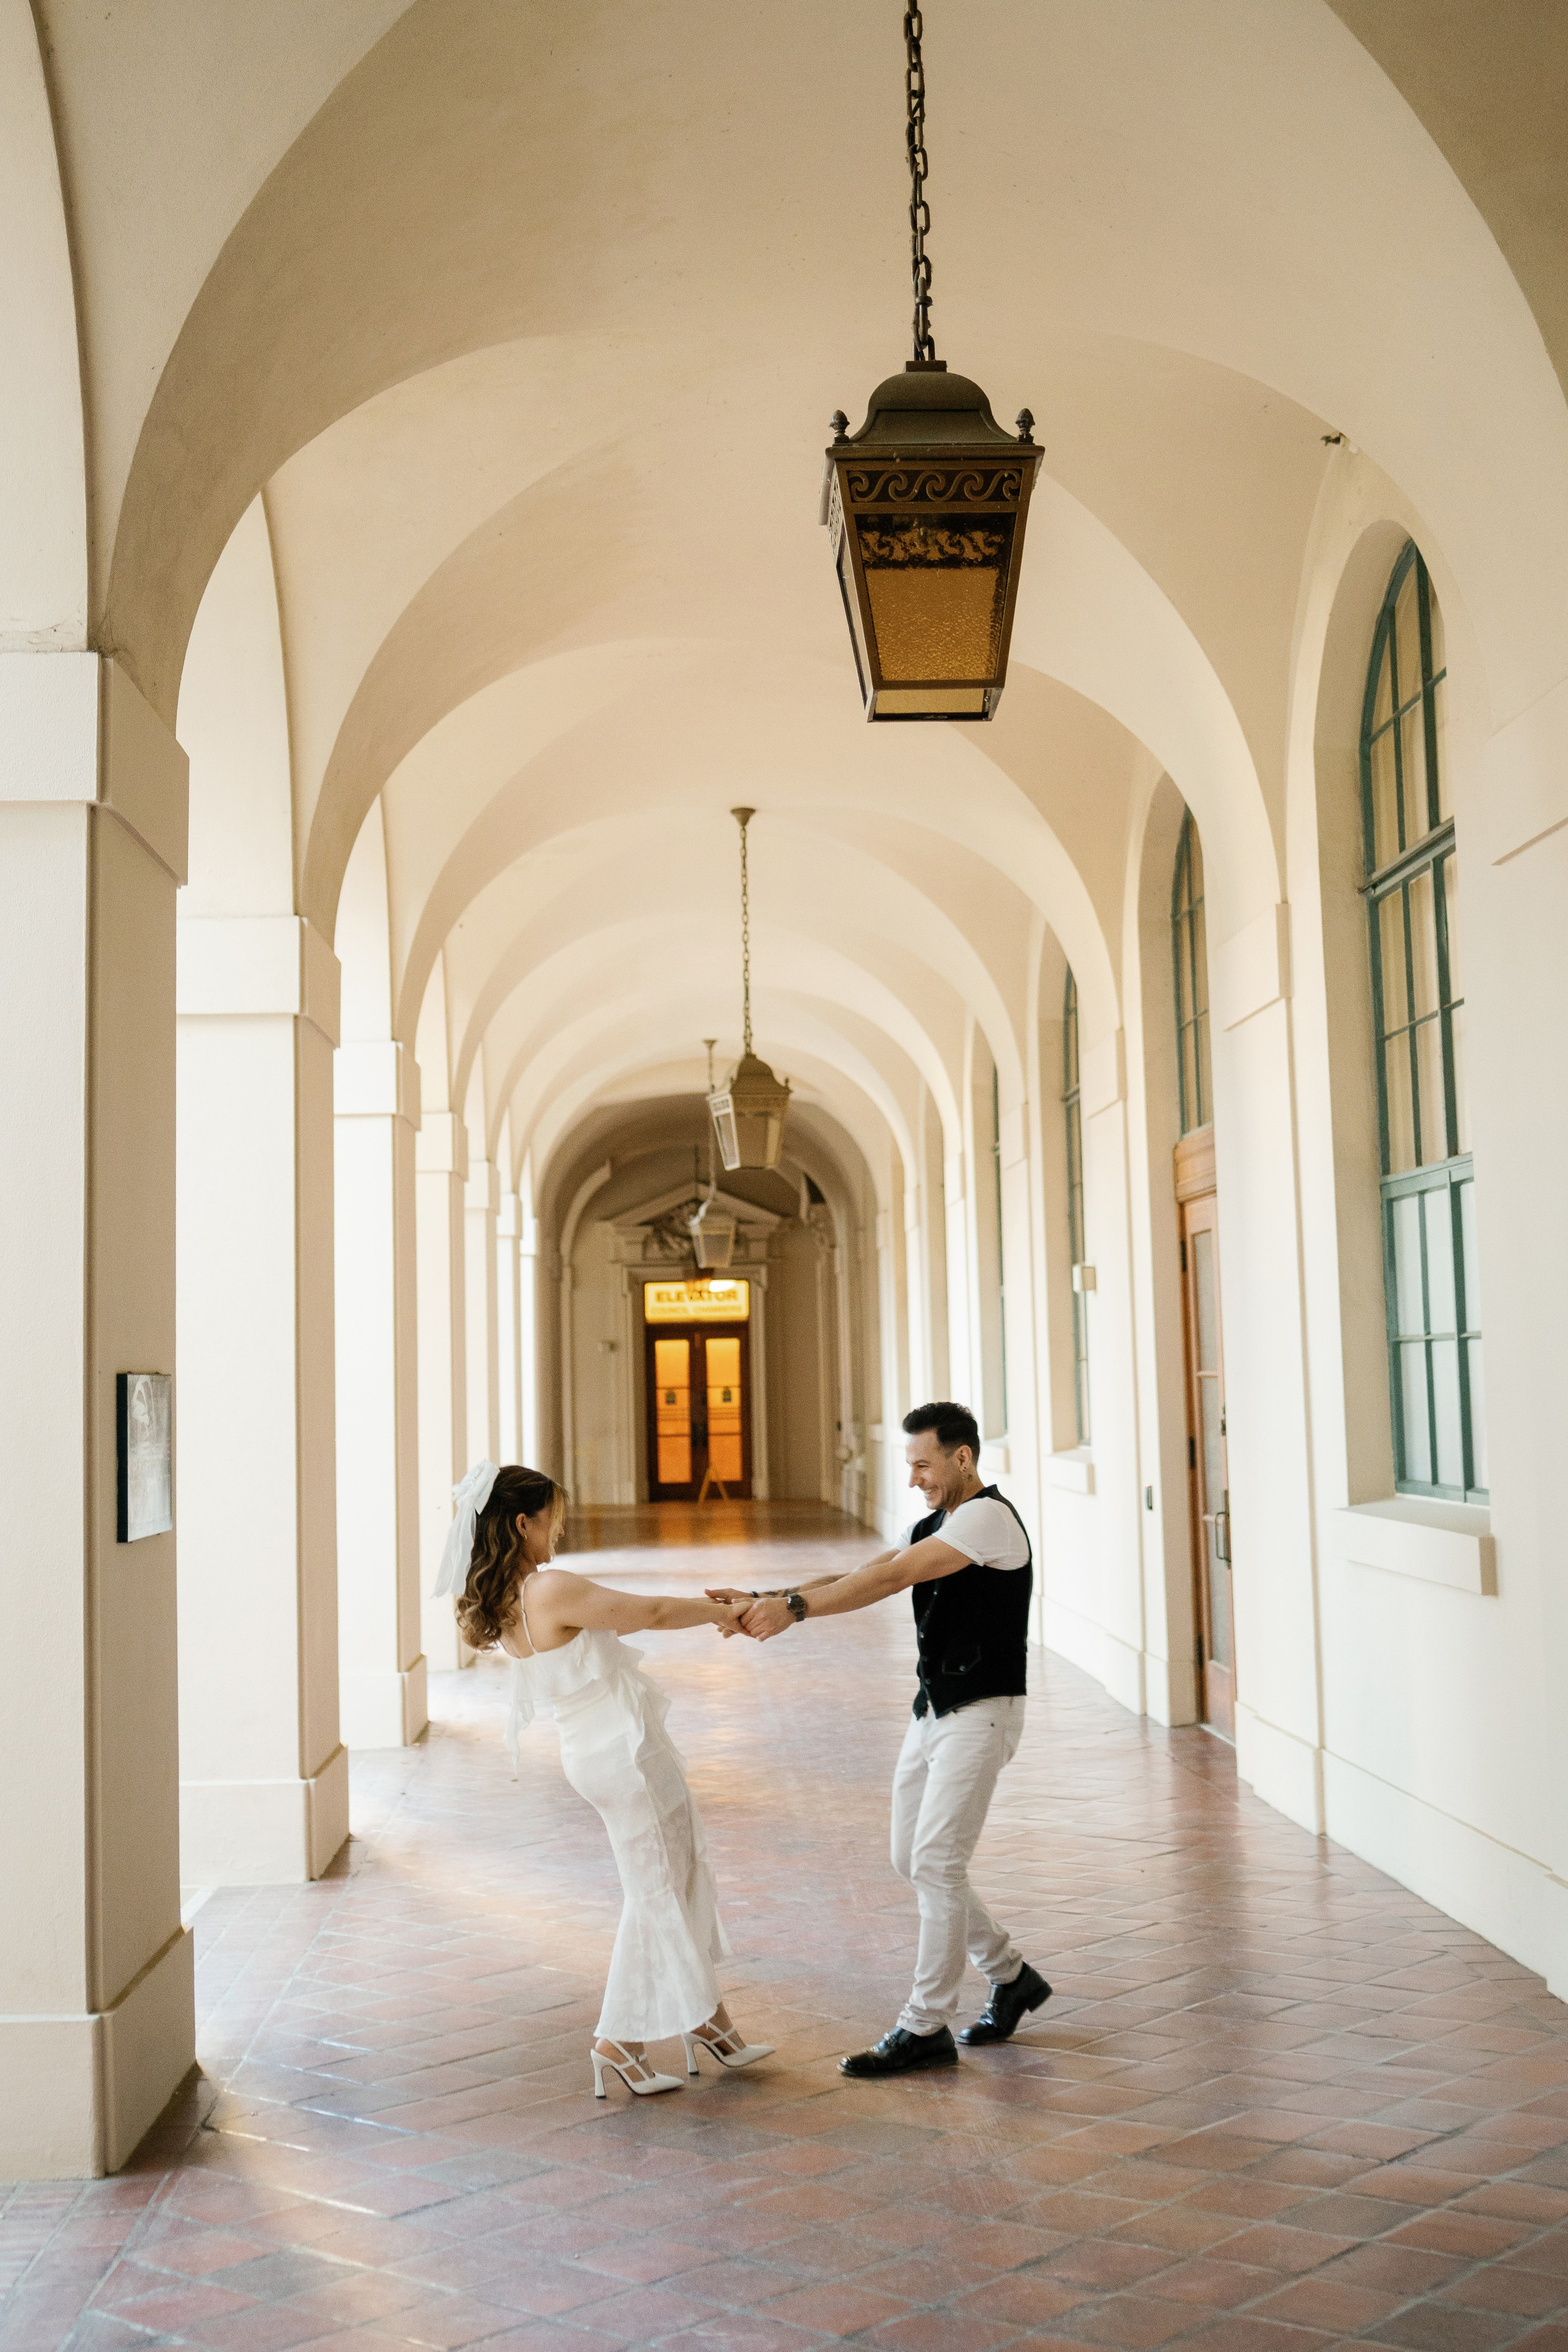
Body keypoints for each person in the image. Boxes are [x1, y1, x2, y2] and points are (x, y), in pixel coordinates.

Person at [712, 1401, 1050, 2076]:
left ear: (962, 1457)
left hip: (981, 1711)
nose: (915, 1479)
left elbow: (894, 1579)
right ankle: (1010, 1976)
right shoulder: (936, 1522)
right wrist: (766, 1594)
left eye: (923, 1464)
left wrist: (795, 1612)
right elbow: (864, 1571)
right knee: (911, 1856)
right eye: (910, 1466)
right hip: (935, 1711)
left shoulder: (987, 1517)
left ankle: (925, 2025)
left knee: (936, 1862)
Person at [435, 1460, 773, 2099]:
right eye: (551, 1517)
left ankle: (707, 2026)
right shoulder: (547, 1590)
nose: (558, 1529)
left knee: (670, 1881)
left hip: (600, 1750)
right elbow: (640, 1610)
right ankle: (626, 2041)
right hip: (625, 1753)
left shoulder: (509, 1596)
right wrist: (726, 1608)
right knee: (658, 1892)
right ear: (521, 1522)